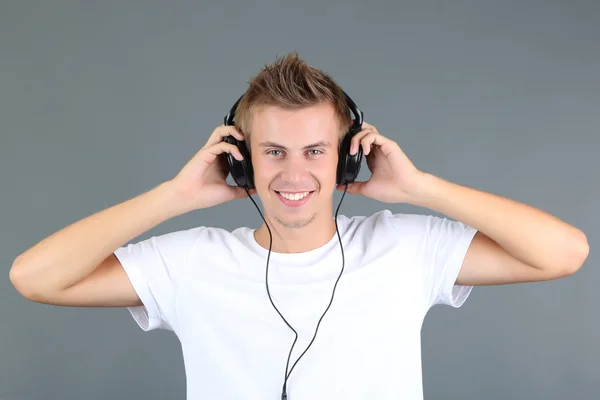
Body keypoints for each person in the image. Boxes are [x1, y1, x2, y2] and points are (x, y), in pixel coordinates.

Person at [9, 52, 589, 400]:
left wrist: (420, 188)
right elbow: (35, 277)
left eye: (315, 150)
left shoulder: (405, 248)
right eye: (273, 151)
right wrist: (173, 197)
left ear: (346, 158)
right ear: (241, 160)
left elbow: (563, 252)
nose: (294, 172)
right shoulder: (192, 262)